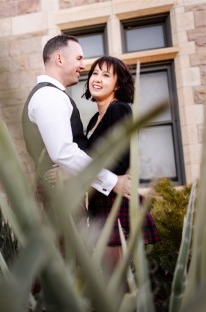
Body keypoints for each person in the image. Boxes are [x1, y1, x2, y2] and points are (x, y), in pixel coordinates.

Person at [22, 34, 131, 208]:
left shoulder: (53, 95)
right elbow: (64, 153)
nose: (83, 65)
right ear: (59, 59)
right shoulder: (50, 96)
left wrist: (71, 174)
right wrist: (112, 181)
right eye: (79, 58)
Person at [82, 55, 160, 270]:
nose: (97, 79)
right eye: (95, 73)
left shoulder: (119, 109)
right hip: (100, 198)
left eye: (106, 75)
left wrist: (93, 177)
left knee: (114, 277)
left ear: (118, 84)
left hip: (113, 199)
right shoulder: (93, 120)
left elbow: (123, 156)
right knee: (109, 274)